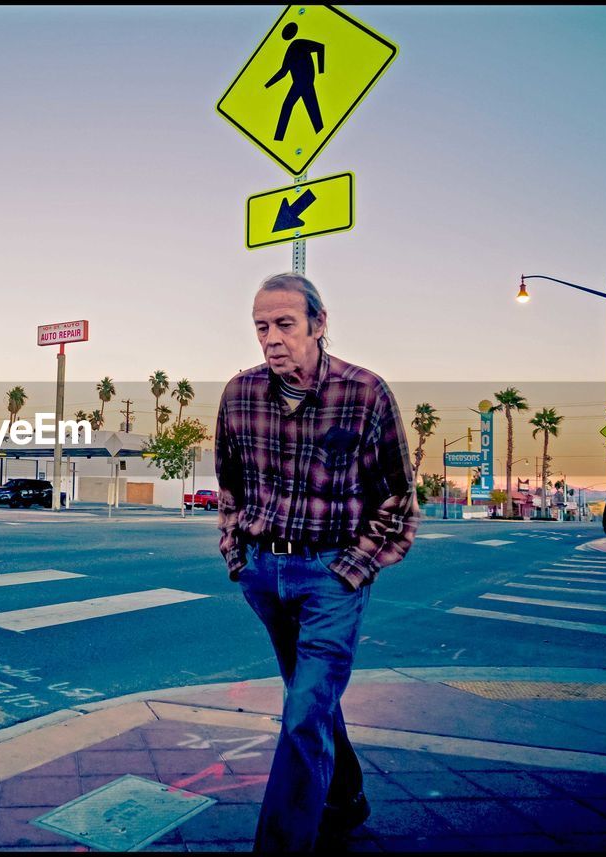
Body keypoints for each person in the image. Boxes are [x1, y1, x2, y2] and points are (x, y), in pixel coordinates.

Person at [216, 273, 418, 851]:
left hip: (331, 574)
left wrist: (351, 569)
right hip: (264, 573)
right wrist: (237, 553)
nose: (272, 338)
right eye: (261, 327)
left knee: (304, 710)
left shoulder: (365, 393)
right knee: (312, 700)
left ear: (318, 324)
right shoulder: (240, 393)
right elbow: (230, 485)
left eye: (284, 324)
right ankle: (346, 796)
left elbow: (398, 498)